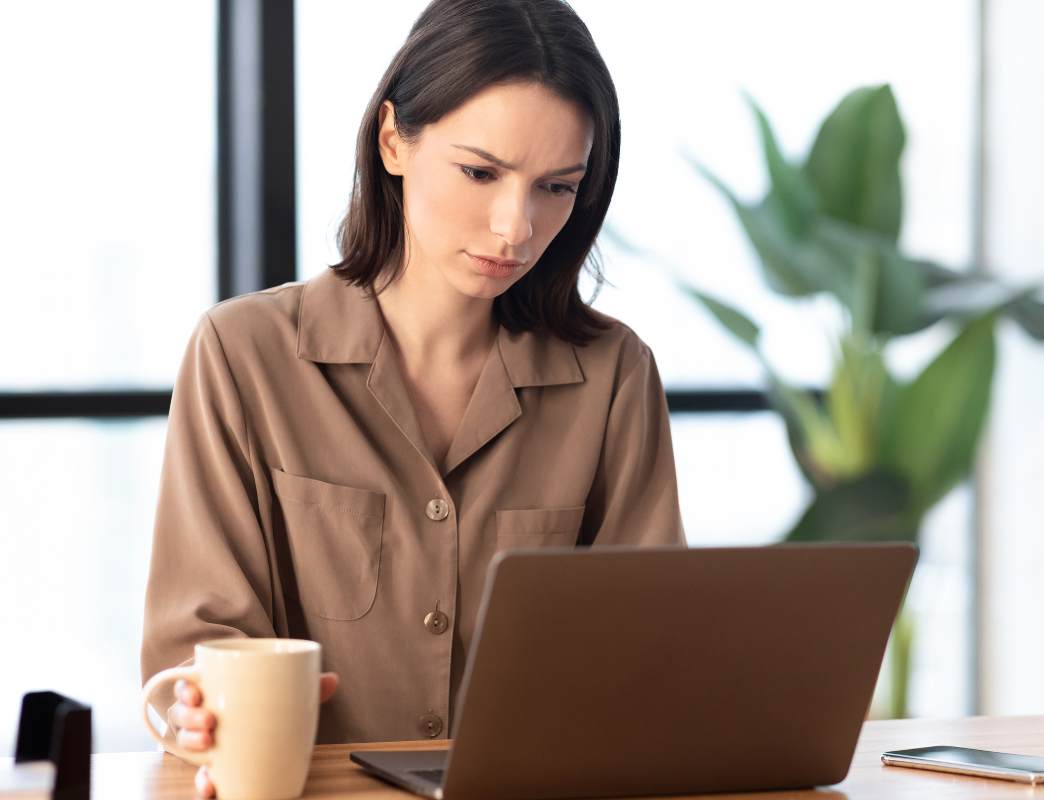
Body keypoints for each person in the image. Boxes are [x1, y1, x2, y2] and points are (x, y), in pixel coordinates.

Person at [139, 0, 687, 796]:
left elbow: (650, 650)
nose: (516, 227)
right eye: (481, 172)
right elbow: (200, 644)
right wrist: (200, 705)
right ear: (395, 140)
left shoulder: (614, 376)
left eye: (556, 187)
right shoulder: (243, 354)